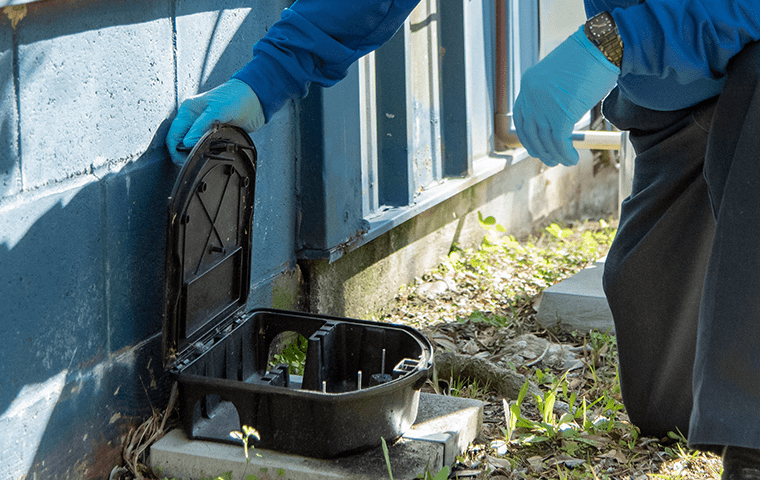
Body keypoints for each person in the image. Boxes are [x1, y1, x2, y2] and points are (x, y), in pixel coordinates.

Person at [166, 1, 760, 478]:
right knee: (666, 404)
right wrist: (264, 80)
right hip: (677, 100)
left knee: (746, 410)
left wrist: (615, 39)